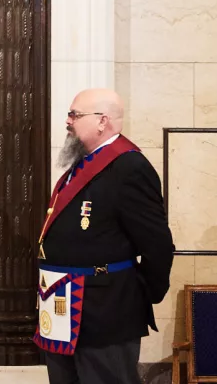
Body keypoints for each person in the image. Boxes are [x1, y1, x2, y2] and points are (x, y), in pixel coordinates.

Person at [38, 89, 174, 384]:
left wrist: (137, 295)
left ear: (102, 121)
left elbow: (158, 245)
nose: (68, 121)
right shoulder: (83, 163)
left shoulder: (129, 167)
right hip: (62, 305)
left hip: (104, 311)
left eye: (75, 115)